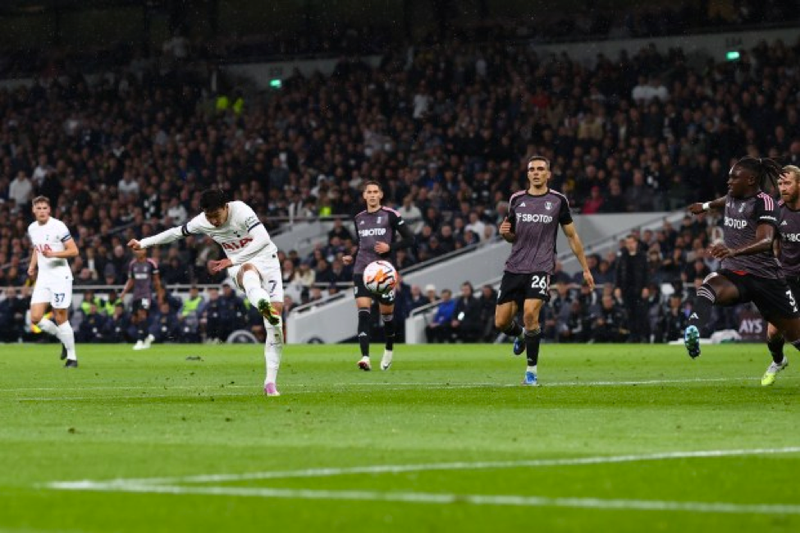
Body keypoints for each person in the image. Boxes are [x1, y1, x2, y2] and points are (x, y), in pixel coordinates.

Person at [127, 189, 285, 397]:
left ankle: (270, 383)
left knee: (275, 324)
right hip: (240, 265)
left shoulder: (241, 211)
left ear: (225, 207)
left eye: (216, 216)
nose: (213, 222)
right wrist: (144, 242)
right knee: (248, 273)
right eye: (209, 217)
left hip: (267, 260)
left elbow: (263, 239)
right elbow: (175, 232)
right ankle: (263, 305)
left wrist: (233, 258)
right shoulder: (202, 221)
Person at [686, 157, 800, 380]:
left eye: (733, 177)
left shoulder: (765, 203)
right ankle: (695, 327)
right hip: (761, 274)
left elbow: (766, 240)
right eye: (780, 184)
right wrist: (706, 206)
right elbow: (726, 201)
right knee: (710, 284)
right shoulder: (760, 204)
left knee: (794, 336)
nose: (729, 181)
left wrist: (733, 250)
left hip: (768, 278)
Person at [495, 155, 595, 386]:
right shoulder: (516, 200)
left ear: (548, 174)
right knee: (501, 323)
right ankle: (521, 336)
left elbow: (572, 236)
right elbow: (512, 235)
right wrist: (505, 234)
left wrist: (585, 269)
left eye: (541, 169)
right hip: (515, 266)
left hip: (541, 267)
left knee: (531, 314)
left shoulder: (558, 201)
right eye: (532, 169)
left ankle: (531, 373)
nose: (536, 173)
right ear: (528, 174)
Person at [342, 180, 415, 371]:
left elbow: (411, 238)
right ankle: (365, 357)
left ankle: (389, 349)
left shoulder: (391, 215)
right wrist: (351, 256)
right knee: (363, 312)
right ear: (364, 196)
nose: (373, 195)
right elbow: (362, 244)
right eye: (369, 192)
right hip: (362, 271)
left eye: (376, 191)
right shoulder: (358, 218)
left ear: (381, 195)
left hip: (384, 273)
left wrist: (390, 247)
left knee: (387, 317)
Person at [26, 195, 79, 367]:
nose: (41, 211)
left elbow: (73, 251)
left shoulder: (58, 226)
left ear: (49, 210)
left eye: (44, 208)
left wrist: (54, 254)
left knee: (60, 316)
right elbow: (37, 248)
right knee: (35, 317)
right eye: (38, 208)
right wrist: (32, 266)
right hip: (43, 278)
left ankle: (72, 357)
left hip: (59, 277)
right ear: (33, 210)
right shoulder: (32, 228)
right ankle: (63, 339)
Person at [761, 165, 800, 385]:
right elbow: (768, 243)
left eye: (788, 183)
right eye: (781, 183)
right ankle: (778, 361)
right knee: (774, 332)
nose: (782, 188)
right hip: (788, 278)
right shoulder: (777, 211)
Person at [120, 248, 165, 350]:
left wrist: (160, 295)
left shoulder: (151, 263)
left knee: (142, 313)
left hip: (146, 295)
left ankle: (140, 341)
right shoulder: (132, 264)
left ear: (145, 251)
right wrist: (124, 292)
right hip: (136, 295)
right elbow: (131, 280)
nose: (137, 252)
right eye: (136, 250)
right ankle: (148, 336)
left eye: (140, 250)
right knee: (135, 319)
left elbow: (156, 281)